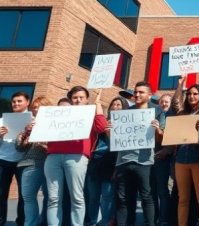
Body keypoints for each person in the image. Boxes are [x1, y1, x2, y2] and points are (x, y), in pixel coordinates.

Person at [45, 86, 108, 226]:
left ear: (87, 100)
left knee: (77, 197)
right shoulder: (58, 113)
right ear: (70, 100)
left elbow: (102, 128)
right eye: (75, 97)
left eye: (81, 97)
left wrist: (97, 106)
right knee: (53, 198)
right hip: (53, 156)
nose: (78, 100)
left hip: (77, 157)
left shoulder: (91, 114)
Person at [111, 82, 165, 226]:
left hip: (145, 162)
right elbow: (115, 138)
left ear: (149, 94)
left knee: (147, 196)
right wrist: (110, 129)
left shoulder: (157, 111)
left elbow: (162, 139)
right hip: (123, 161)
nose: (137, 95)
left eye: (141, 92)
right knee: (123, 198)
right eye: (135, 92)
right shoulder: (125, 113)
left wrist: (158, 130)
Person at [171, 75, 199, 226]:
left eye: (195, 94)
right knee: (183, 198)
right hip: (181, 159)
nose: (191, 96)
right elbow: (176, 102)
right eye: (189, 94)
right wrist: (180, 84)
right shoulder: (183, 114)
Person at [86, 97, 125, 226]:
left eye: (119, 105)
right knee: (93, 195)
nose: (115, 106)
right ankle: (93, 221)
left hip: (112, 161)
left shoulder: (126, 125)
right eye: (113, 104)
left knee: (107, 196)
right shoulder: (103, 122)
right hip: (96, 160)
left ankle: (106, 221)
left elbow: (121, 146)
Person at [16, 95, 50, 226]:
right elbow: (19, 147)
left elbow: (55, 145)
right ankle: (31, 223)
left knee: (50, 197)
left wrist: (43, 144)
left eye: (38, 107)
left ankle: (45, 221)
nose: (35, 110)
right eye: (33, 108)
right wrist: (25, 132)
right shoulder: (28, 125)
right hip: (30, 164)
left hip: (50, 163)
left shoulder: (55, 124)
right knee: (29, 197)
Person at [0, 91, 29, 226]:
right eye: (14, 101)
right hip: (3, 160)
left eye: (19, 101)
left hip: (23, 161)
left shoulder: (32, 120)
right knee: (1, 193)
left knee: (24, 195)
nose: (16, 103)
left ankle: (21, 222)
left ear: (27, 102)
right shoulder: (2, 120)